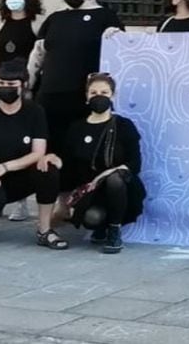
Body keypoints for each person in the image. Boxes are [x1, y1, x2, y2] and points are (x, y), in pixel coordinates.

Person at [0, 60, 68, 249]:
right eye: (1, 83)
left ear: (23, 85)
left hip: (18, 173)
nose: (5, 88)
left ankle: (44, 230)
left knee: (48, 170)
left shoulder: (34, 111)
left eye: (11, 85)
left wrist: (5, 167)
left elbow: (38, 152)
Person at [45, 72, 145, 253]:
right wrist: (54, 159)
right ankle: (101, 226)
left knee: (115, 179)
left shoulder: (124, 126)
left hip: (121, 188)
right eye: (93, 92)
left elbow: (135, 163)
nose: (99, 96)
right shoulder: (77, 128)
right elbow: (68, 163)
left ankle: (114, 230)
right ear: (86, 96)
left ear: (112, 96)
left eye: (104, 93)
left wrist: (105, 175)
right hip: (91, 192)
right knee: (92, 219)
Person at [29, 0, 124, 154]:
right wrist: (27, 86)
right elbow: (37, 55)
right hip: (50, 95)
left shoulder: (105, 17)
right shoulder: (55, 18)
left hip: (82, 96)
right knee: (50, 146)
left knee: (79, 147)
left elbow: (120, 51)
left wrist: (116, 36)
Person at [0, 0, 44, 222]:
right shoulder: (2, 24)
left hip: (25, 92)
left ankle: (21, 202)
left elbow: (41, 58)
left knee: (20, 146)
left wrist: (29, 88)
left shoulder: (36, 24)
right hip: (1, 91)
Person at [0, 0, 43, 89]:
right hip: (3, 84)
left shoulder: (37, 23)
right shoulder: (0, 23)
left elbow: (41, 59)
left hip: (27, 86)